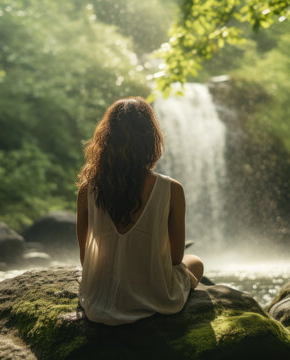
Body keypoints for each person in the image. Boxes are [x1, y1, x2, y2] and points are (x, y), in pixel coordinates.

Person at [76, 96, 204, 326]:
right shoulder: (171, 189)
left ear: (105, 140)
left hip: (99, 300)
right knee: (195, 262)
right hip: (155, 296)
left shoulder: (88, 190)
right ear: (151, 140)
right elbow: (176, 258)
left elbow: (86, 260)